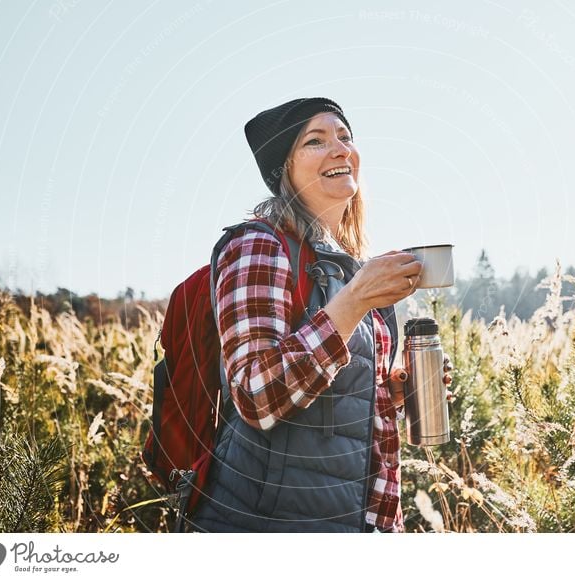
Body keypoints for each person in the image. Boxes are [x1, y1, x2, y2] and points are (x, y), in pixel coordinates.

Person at [188, 98, 453, 533]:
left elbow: (330, 407)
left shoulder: (345, 265)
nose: (339, 148)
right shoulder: (260, 246)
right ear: (284, 169)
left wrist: (395, 392)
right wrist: (354, 301)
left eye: (345, 137)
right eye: (316, 140)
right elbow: (257, 395)